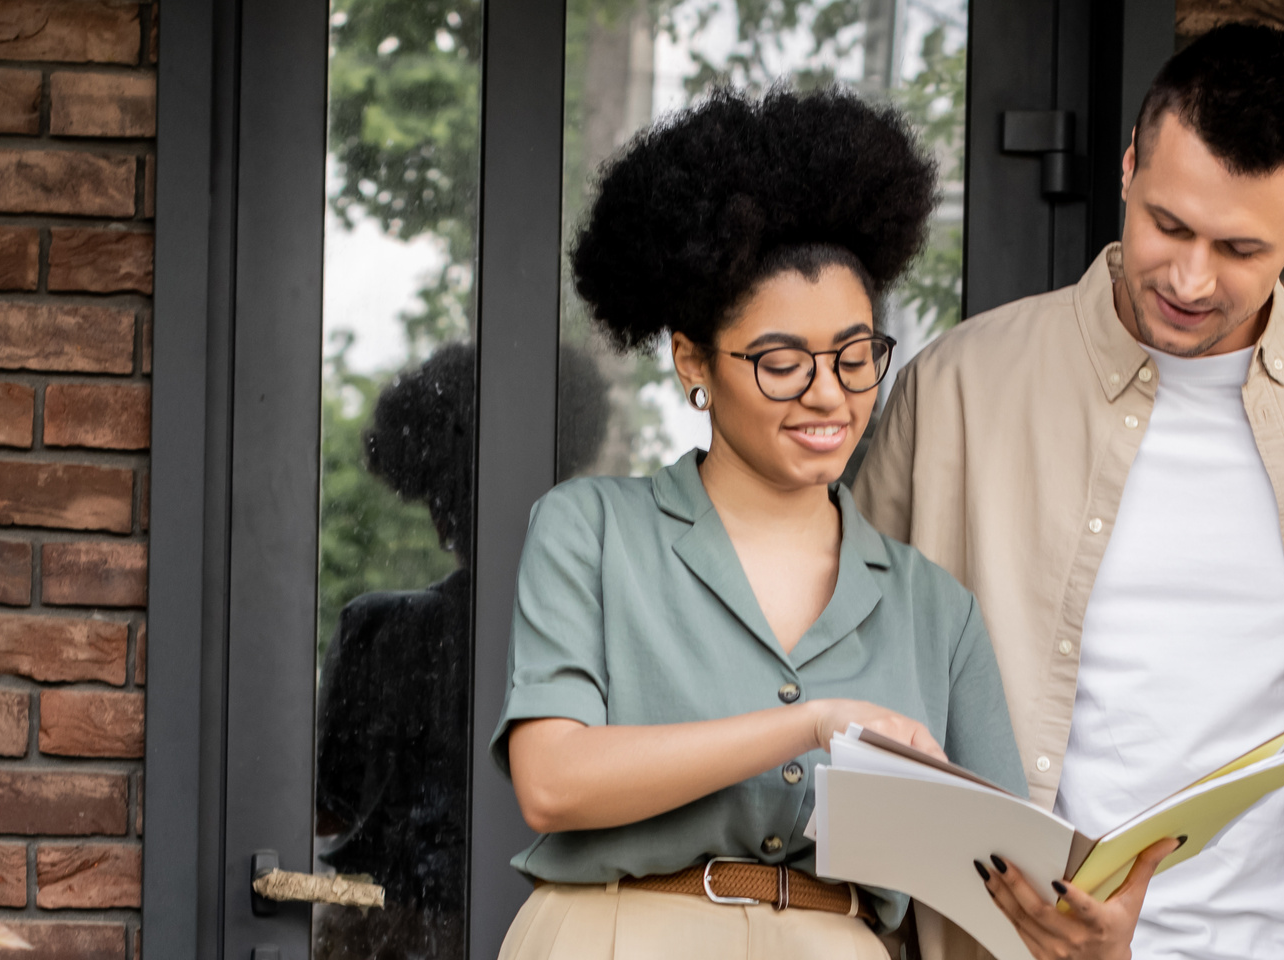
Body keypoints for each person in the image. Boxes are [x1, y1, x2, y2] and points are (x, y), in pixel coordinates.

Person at [850, 22, 1284, 960]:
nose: (1191, 279)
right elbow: (854, 679)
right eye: (1169, 225)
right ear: (1126, 169)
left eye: (1239, 247)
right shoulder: (961, 389)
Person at [494, 89, 1028, 960]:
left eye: (856, 357)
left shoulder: (937, 610)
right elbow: (552, 783)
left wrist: (1085, 922)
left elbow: (1004, 867)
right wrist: (811, 724)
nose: (830, 393)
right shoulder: (588, 531)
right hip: (619, 934)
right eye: (782, 363)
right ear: (692, 360)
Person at [313, 341, 610, 960]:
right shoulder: (601, 632)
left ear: (438, 513)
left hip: (383, 934)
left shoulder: (374, 630)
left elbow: (326, 811)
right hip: (549, 926)